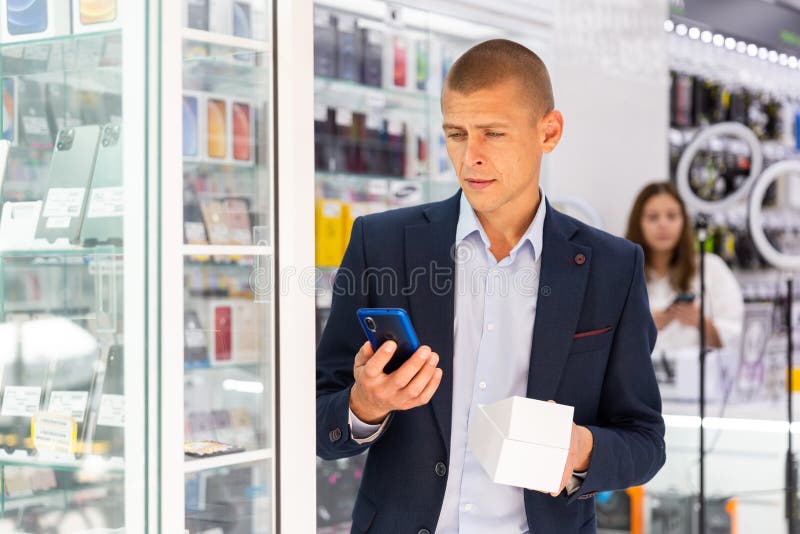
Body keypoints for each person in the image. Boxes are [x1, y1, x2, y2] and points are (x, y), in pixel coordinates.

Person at [317, 39, 665, 534]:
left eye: (493, 133)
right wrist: (365, 405)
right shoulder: (382, 243)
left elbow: (646, 440)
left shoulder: (613, 267)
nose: (470, 157)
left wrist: (581, 449)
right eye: (456, 134)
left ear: (549, 131)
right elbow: (317, 421)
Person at [625, 182, 744, 359]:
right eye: (653, 217)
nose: (663, 225)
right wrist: (644, 327)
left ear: (684, 221)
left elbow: (735, 338)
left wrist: (701, 322)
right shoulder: (623, 273)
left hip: (700, 380)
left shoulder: (710, 269)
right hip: (639, 381)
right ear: (638, 223)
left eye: (672, 216)